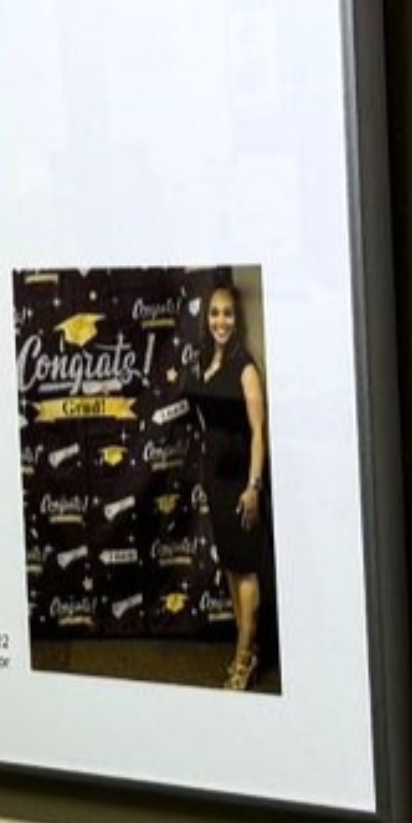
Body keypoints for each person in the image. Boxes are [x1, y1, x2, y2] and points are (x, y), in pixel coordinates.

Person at [178, 281, 274, 691]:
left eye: (228, 314)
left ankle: (242, 659)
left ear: (237, 320)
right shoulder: (206, 362)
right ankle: (247, 648)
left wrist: (253, 487)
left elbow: (258, 432)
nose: (221, 320)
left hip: (240, 482)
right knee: (233, 568)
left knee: (247, 568)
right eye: (215, 313)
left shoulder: (245, 368)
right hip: (215, 479)